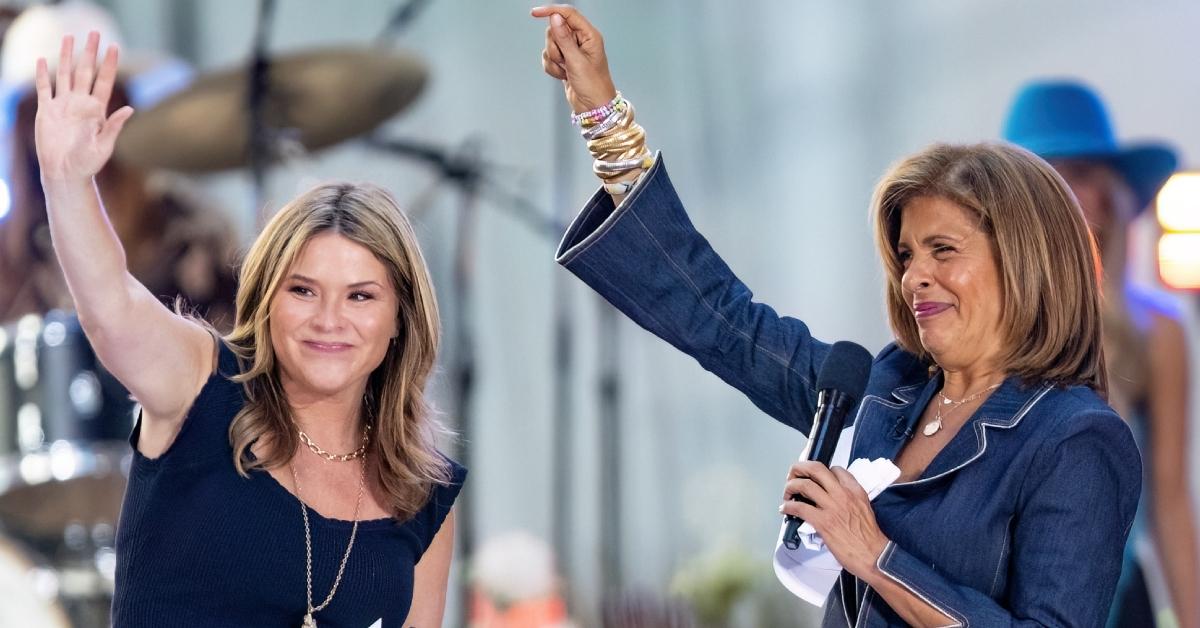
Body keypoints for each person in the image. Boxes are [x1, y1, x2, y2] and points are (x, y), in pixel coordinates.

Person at [532, 6, 1141, 626]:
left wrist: (876, 555)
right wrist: (602, 117)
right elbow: (723, 321)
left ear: (1024, 262)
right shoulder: (887, 389)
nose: (914, 276)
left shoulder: (1076, 439)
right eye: (906, 254)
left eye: (943, 250)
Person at [34, 33, 464, 626]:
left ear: (400, 320)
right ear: (265, 301)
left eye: (361, 296)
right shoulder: (200, 384)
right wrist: (67, 182)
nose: (329, 320)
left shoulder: (422, 489)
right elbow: (111, 309)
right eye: (303, 290)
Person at [1004, 80, 1200, 628]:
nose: (1065, 192)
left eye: (1081, 173)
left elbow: (1171, 501)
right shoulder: (981, 322)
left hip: (1113, 600)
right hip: (995, 600)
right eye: (1046, 174)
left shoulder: (1156, 331)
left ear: (1112, 197)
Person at [1, 1, 237, 328]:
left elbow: (230, 354)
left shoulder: (192, 229)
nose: (77, 117)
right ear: (25, 125)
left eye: (95, 92)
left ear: (123, 104)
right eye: (52, 98)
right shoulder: (7, 254)